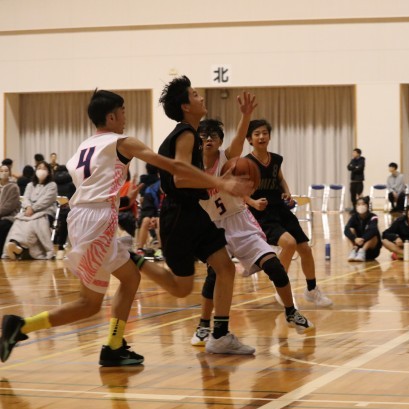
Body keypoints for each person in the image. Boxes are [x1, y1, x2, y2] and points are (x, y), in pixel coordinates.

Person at [0, 88, 252, 366]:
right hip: (96, 224)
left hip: (83, 218)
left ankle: (112, 345)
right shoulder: (123, 142)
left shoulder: (84, 146)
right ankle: (23, 325)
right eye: (122, 112)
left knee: (126, 281)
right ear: (111, 116)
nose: (124, 118)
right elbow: (171, 166)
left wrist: (121, 200)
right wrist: (220, 182)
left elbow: (90, 190)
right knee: (89, 303)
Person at [151, 76, 256, 355]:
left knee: (225, 268)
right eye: (195, 95)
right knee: (182, 288)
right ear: (186, 106)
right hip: (178, 214)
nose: (200, 97)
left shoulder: (191, 134)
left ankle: (219, 335)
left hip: (193, 211)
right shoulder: (186, 133)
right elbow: (181, 178)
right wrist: (221, 183)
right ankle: (134, 262)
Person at [191, 111, 314, 348]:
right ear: (197, 141)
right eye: (204, 136)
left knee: (275, 267)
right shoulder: (192, 169)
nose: (209, 139)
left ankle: (291, 312)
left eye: (214, 136)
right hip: (215, 226)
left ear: (220, 140)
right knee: (214, 276)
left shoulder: (227, 158)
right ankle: (203, 325)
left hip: (241, 221)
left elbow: (239, 139)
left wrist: (246, 116)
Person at [245, 119, 332, 307]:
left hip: (281, 209)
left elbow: (280, 179)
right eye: (257, 134)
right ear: (249, 139)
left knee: (305, 249)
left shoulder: (276, 159)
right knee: (289, 243)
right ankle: (280, 286)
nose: (261, 136)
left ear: (269, 136)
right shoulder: (246, 163)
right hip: (262, 215)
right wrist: (252, 202)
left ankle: (311, 290)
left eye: (265, 133)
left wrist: (287, 191)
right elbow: (238, 191)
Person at [4, 161, 57, 260]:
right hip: (29, 212)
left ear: (49, 172)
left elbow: (46, 200)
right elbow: (26, 198)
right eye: (39, 168)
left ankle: (23, 248)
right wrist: (28, 207)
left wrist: (33, 208)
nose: (41, 171)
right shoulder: (30, 185)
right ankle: (15, 243)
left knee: (33, 224)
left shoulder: (52, 185)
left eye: (44, 169)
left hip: (45, 212)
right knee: (18, 222)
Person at [344, 196, 382, 262]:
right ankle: (354, 250)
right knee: (351, 229)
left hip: (371, 250)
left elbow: (373, 230)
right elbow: (346, 229)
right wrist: (355, 239)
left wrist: (363, 239)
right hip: (358, 246)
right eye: (358, 204)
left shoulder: (373, 216)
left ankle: (362, 251)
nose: (361, 206)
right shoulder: (354, 217)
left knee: (374, 234)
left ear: (367, 206)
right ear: (356, 206)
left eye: (363, 204)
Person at [52, 164, 76, 259]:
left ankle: (60, 248)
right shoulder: (72, 183)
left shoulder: (53, 183)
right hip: (68, 210)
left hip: (53, 209)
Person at [0, 165, 21, 251]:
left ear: (9, 172)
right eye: (1, 171)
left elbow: (10, 206)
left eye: (6, 171)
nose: (4, 173)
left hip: (9, 216)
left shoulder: (14, 187)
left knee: (2, 225)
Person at [347, 148, 365, 212]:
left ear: (358, 153)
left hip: (359, 181)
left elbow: (360, 168)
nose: (353, 154)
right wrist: (355, 167)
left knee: (359, 196)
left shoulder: (362, 160)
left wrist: (353, 167)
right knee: (352, 196)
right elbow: (348, 167)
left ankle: (360, 208)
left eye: (354, 152)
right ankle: (354, 208)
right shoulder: (352, 160)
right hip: (353, 181)